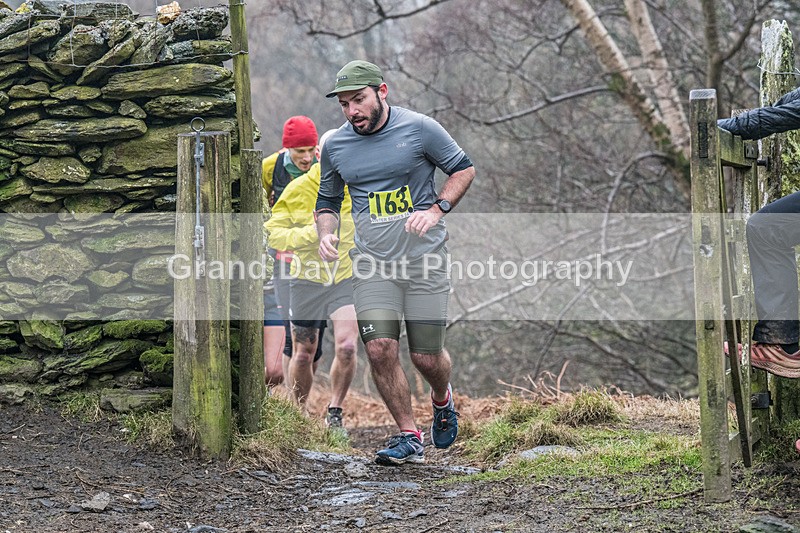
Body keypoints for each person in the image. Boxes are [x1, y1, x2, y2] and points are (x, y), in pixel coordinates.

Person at [314, 60, 476, 465]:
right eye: (345, 104)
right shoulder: (335, 145)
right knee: (381, 347)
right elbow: (327, 201)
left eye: (359, 100)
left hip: (424, 259)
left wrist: (437, 209)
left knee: (425, 356)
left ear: (381, 92)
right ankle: (408, 434)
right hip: (372, 263)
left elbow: (463, 169)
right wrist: (326, 232)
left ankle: (442, 399)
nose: (352, 111)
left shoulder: (420, 128)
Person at [265, 130, 358, 432]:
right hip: (306, 278)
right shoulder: (298, 188)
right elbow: (273, 232)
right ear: (322, 154)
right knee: (304, 353)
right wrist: (312, 235)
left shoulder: (359, 185)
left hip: (346, 276)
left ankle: (335, 412)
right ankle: (299, 413)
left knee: (346, 346)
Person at [262, 116, 326, 387]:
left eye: (311, 150)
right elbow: (261, 206)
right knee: (294, 336)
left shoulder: (324, 167)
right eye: (300, 151)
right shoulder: (270, 167)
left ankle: (303, 397)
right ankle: (294, 405)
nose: (307, 157)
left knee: (313, 344)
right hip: (282, 259)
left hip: (316, 260)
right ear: (287, 148)